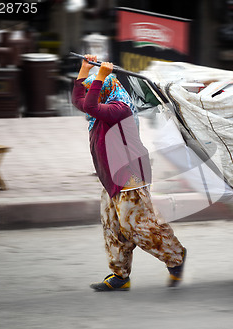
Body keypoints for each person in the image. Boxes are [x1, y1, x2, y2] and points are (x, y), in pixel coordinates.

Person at [72, 54, 186, 291]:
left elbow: (90, 104)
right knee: (112, 225)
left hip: (131, 174)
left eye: (96, 87)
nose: (92, 90)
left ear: (106, 88)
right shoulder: (101, 108)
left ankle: (176, 256)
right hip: (110, 176)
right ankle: (120, 276)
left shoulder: (119, 108)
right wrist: (84, 71)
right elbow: (80, 101)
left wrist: (101, 76)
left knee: (136, 225)